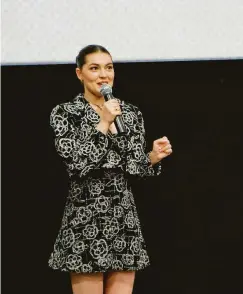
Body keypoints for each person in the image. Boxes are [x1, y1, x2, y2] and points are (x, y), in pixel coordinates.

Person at [48, 44, 173, 294]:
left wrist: (152, 157)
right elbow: (77, 163)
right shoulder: (65, 113)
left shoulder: (130, 113)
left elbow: (135, 168)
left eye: (109, 67)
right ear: (79, 74)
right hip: (86, 216)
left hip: (123, 217)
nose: (103, 75)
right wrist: (104, 121)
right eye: (94, 68)